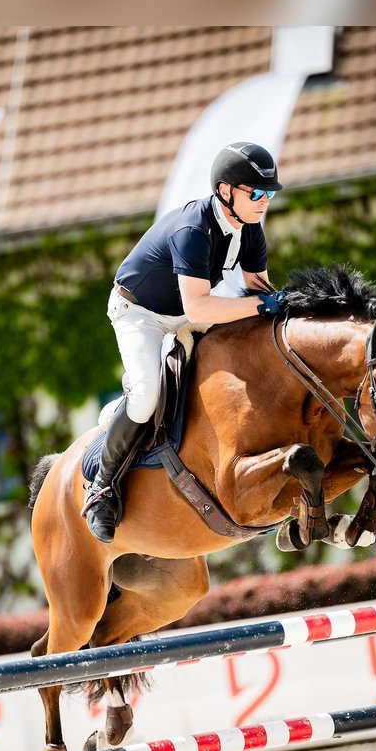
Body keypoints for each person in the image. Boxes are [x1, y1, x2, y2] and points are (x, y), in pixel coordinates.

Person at [82, 141, 288, 543]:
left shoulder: (250, 230)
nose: (264, 202)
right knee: (145, 397)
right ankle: (102, 488)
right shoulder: (194, 229)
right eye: (257, 193)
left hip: (191, 308)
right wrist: (262, 306)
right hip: (140, 313)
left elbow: (259, 292)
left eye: (269, 194)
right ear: (226, 191)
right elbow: (199, 310)